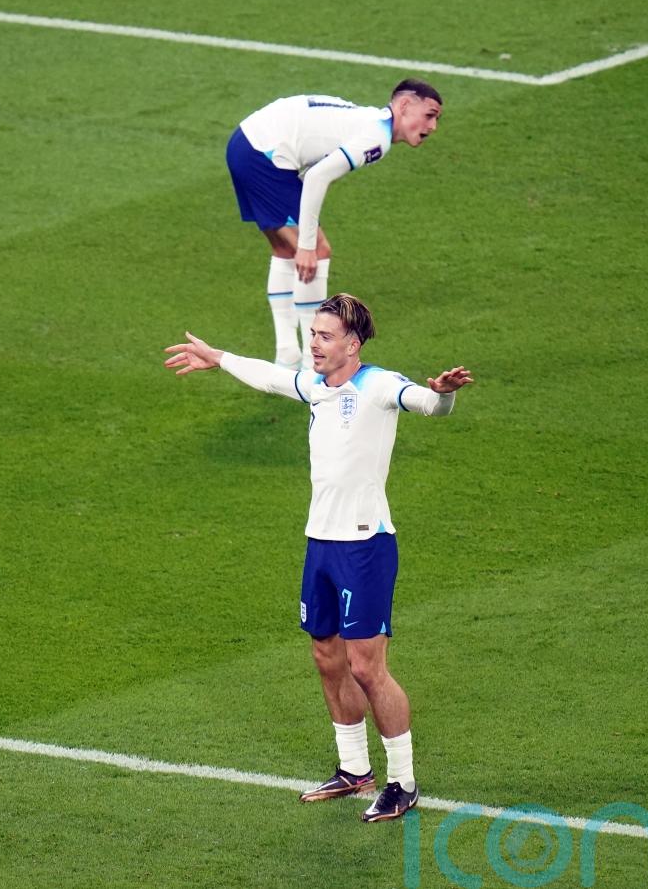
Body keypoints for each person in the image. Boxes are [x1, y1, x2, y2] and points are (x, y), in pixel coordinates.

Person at [164, 293, 472, 822]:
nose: (314, 345)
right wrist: (219, 358)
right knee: (327, 658)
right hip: (320, 543)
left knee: (367, 667)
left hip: (366, 546)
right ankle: (355, 770)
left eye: (325, 337)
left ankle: (403, 781)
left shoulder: (377, 385)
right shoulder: (314, 387)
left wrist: (441, 394)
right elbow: (270, 377)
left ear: (353, 345)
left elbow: (426, 403)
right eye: (312, 335)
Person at [225, 80, 443, 370]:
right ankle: (306, 365)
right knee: (316, 251)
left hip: (247, 142)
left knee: (283, 248)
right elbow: (317, 177)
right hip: (264, 155)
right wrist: (306, 245)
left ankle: (287, 355)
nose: (433, 126)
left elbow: (312, 172)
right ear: (404, 106)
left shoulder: (369, 121)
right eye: (429, 115)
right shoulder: (377, 136)